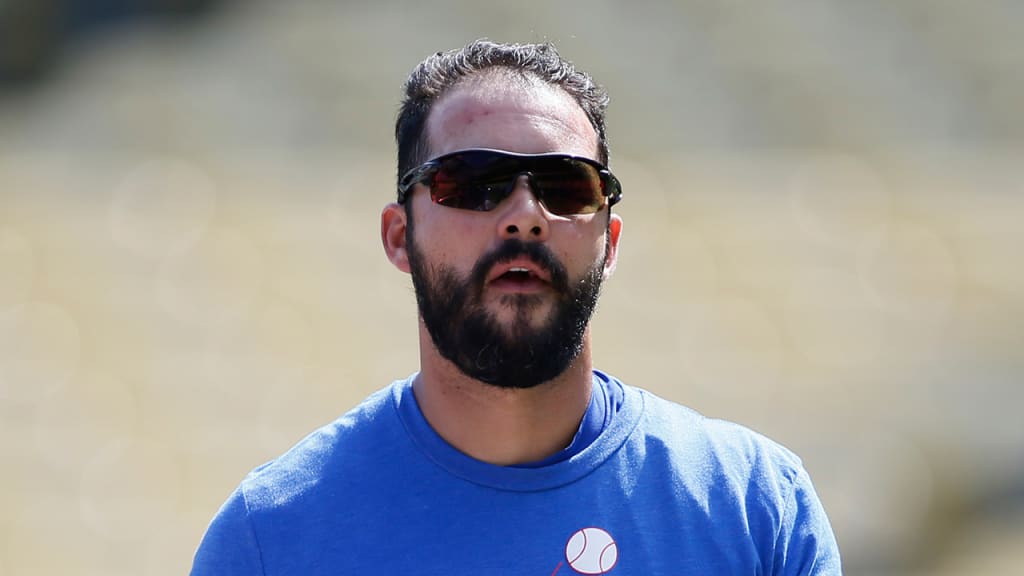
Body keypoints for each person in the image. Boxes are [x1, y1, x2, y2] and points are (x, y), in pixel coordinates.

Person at [190, 39, 842, 575]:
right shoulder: (271, 538)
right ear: (399, 237)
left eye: (567, 186)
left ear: (609, 243)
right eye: (473, 182)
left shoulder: (754, 508)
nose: (525, 216)